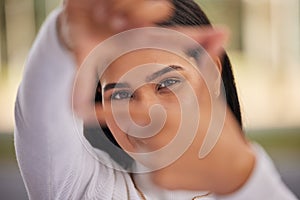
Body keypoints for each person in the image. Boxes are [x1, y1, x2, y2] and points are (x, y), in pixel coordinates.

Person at [14, 0, 298, 199]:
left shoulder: (252, 183)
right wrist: (65, 32)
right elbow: (40, 115)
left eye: (167, 83)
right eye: (121, 95)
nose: (147, 114)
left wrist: (243, 181)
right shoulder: (87, 190)